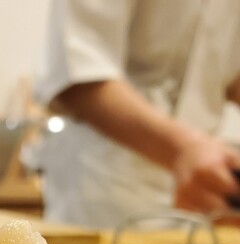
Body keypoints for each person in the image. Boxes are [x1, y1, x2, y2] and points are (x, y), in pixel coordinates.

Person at [35, 0, 240, 228]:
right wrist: (184, 149)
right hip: (107, 189)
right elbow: (78, 72)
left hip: (207, 199)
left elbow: (226, 73)